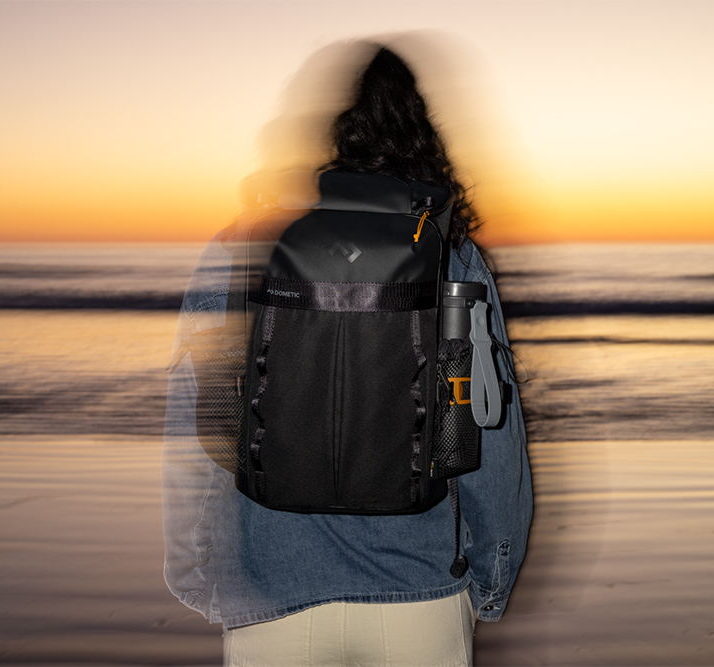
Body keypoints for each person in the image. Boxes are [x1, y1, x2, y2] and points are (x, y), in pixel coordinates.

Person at [162, 42, 532, 667]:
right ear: (423, 132)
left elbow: (199, 421)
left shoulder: (244, 245)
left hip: (271, 587)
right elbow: (487, 435)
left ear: (327, 134)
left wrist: (198, 572)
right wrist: (490, 581)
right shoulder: (451, 253)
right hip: (419, 590)